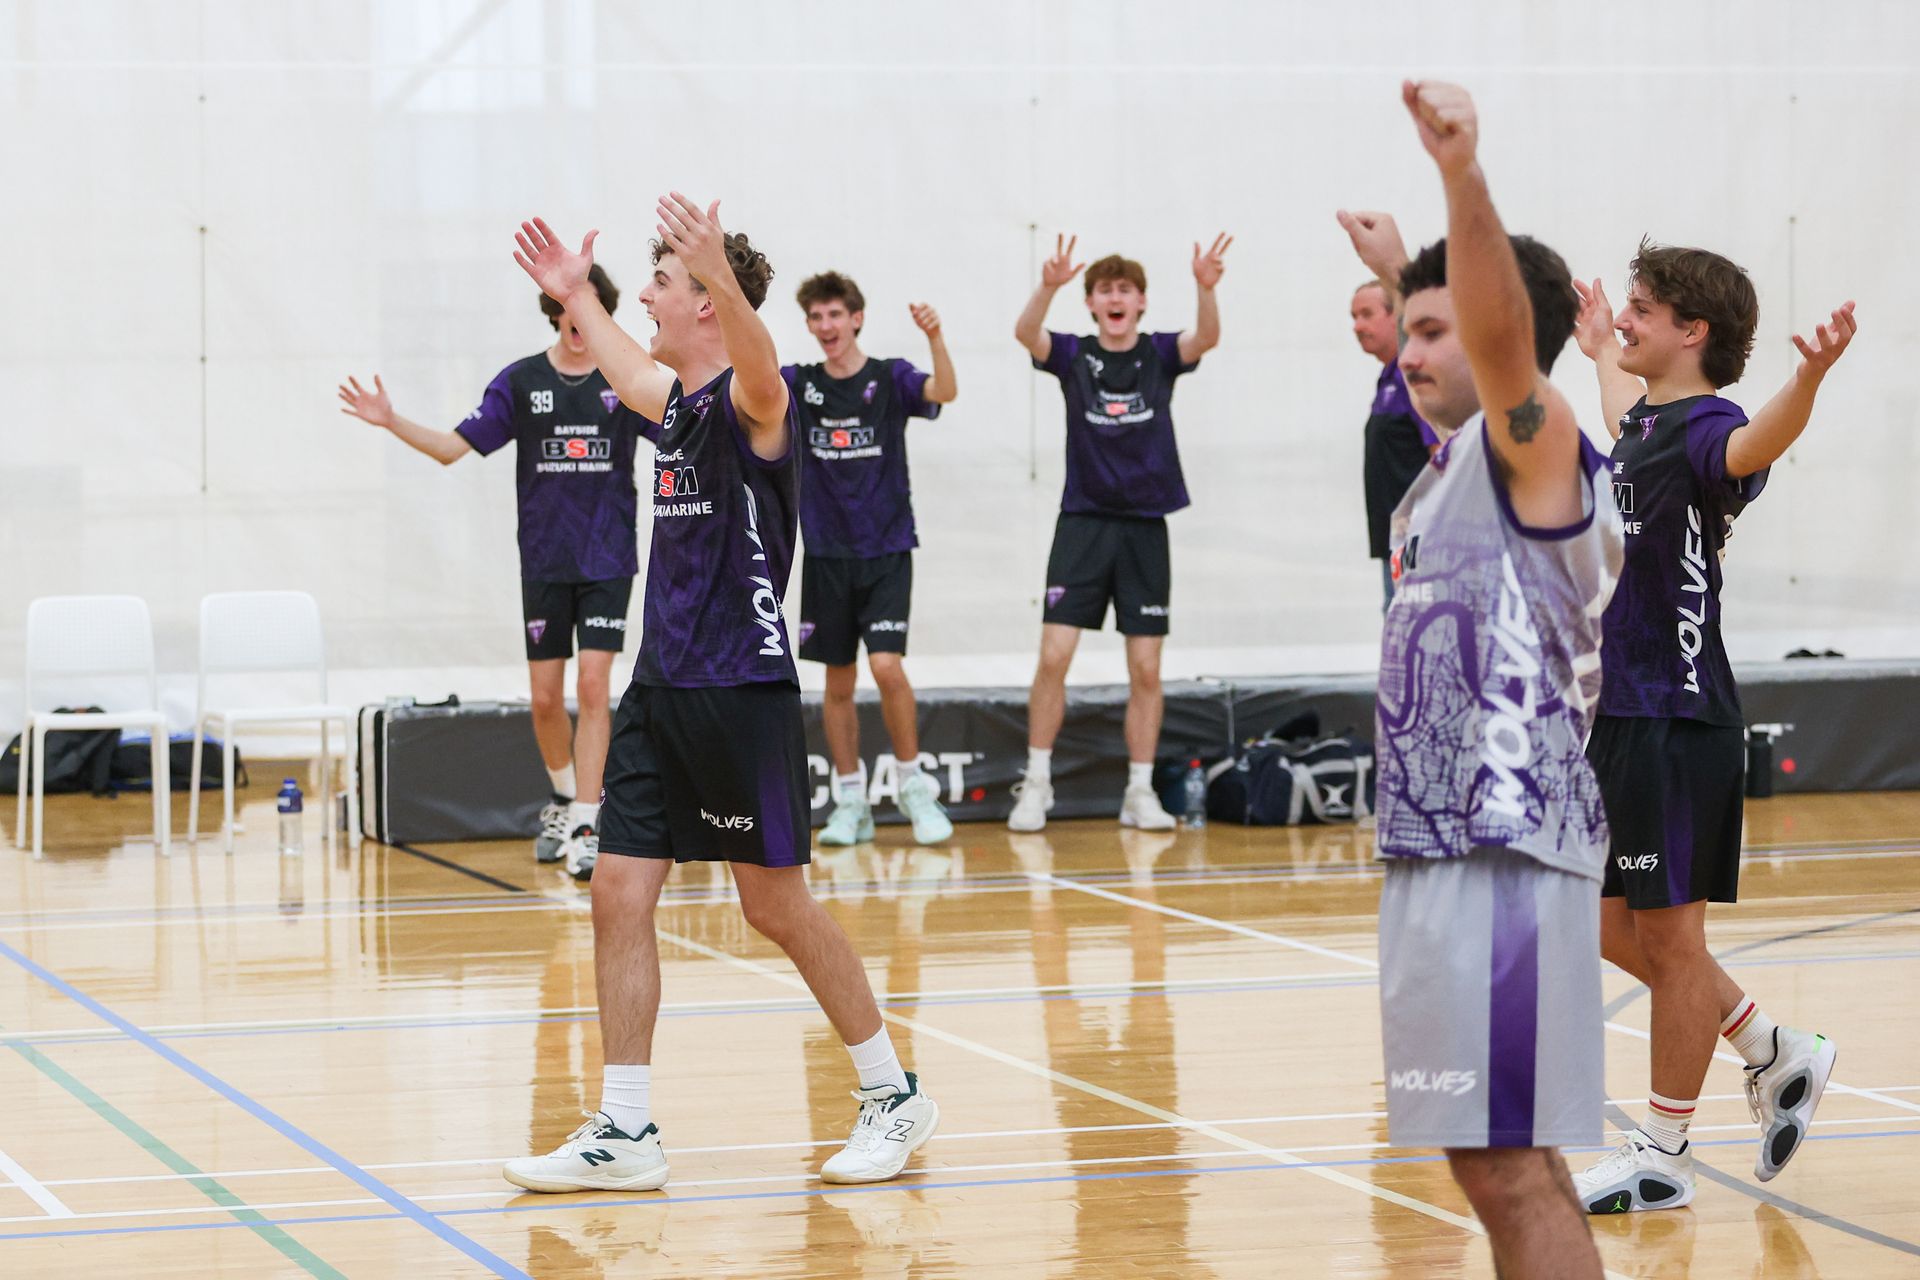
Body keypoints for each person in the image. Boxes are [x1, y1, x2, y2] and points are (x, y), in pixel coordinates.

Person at [499, 200, 937, 1195]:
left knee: (773, 904)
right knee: (617, 890)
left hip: (742, 687)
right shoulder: (676, 410)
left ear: (705, 302)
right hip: (664, 686)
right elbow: (620, 360)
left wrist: (721, 276)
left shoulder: (756, 407)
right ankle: (624, 1126)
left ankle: (891, 1091)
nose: (643, 296)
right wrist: (573, 293)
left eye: (661, 282)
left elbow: (763, 366)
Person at [1358, 81, 1622, 1279]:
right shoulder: (1456, 459)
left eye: (1429, 329)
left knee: (1503, 1165)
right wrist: (1400, 273)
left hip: (1503, 847)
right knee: (1502, 1159)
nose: (1406, 350)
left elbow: (1502, 337)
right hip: (1445, 847)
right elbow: (1457, 350)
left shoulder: (1538, 436)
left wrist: (1461, 179)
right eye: (1400, 332)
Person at [1564, 245, 1854, 1212]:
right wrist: (1597, 341)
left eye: (1643, 310)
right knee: (1602, 923)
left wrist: (1806, 379)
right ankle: (1772, 1047)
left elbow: (1755, 444)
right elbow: (1617, 409)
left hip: (1679, 718)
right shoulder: (1646, 422)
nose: (1628, 320)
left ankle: (1663, 1151)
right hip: (1623, 714)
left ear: (1693, 332)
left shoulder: (1709, 430)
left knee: (1671, 938)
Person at [337, 266, 636, 874]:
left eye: (593, 308)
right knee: (546, 699)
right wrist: (390, 419)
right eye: (570, 308)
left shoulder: (624, 380)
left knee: (594, 687)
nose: (580, 320)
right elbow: (452, 449)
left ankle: (587, 819)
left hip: (609, 558)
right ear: (554, 312)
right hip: (546, 561)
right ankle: (561, 798)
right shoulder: (523, 382)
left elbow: (683, 431)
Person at [1005, 232, 1230, 832]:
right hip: (1082, 524)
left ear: (1141, 302)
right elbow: (1027, 335)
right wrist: (1048, 285)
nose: (1115, 297)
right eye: (1104, 290)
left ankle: (1139, 791)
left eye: (1125, 289)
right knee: (1054, 656)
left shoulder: (1158, 353)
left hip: (1144, 529)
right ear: (1091, 303)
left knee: (1147, 669)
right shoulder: (1076, 355)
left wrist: (1206, 288)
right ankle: (1038, 782)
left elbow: (1205, 338)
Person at [783, 271, 958, 845]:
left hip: (886, 549)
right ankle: (850, 800)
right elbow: (743, 379)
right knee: (837, 682)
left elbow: (944, 391)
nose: (826, 326)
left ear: (856, 317)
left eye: (835, 315)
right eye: (817, 317)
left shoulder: (890, 377)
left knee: (886, 666)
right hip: (827, 554)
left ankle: (913, 787)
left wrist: (935, 336)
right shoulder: (800, 384)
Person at [1344, 271, 1439, 606]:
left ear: (1395, 317)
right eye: (1353, 317)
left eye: (1367, 315)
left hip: (1418, 541)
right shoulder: (1388, 378)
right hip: (1395, 541)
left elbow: (1441, 452)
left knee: (1410, 630)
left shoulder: (1414, 375)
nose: (1357, 326)